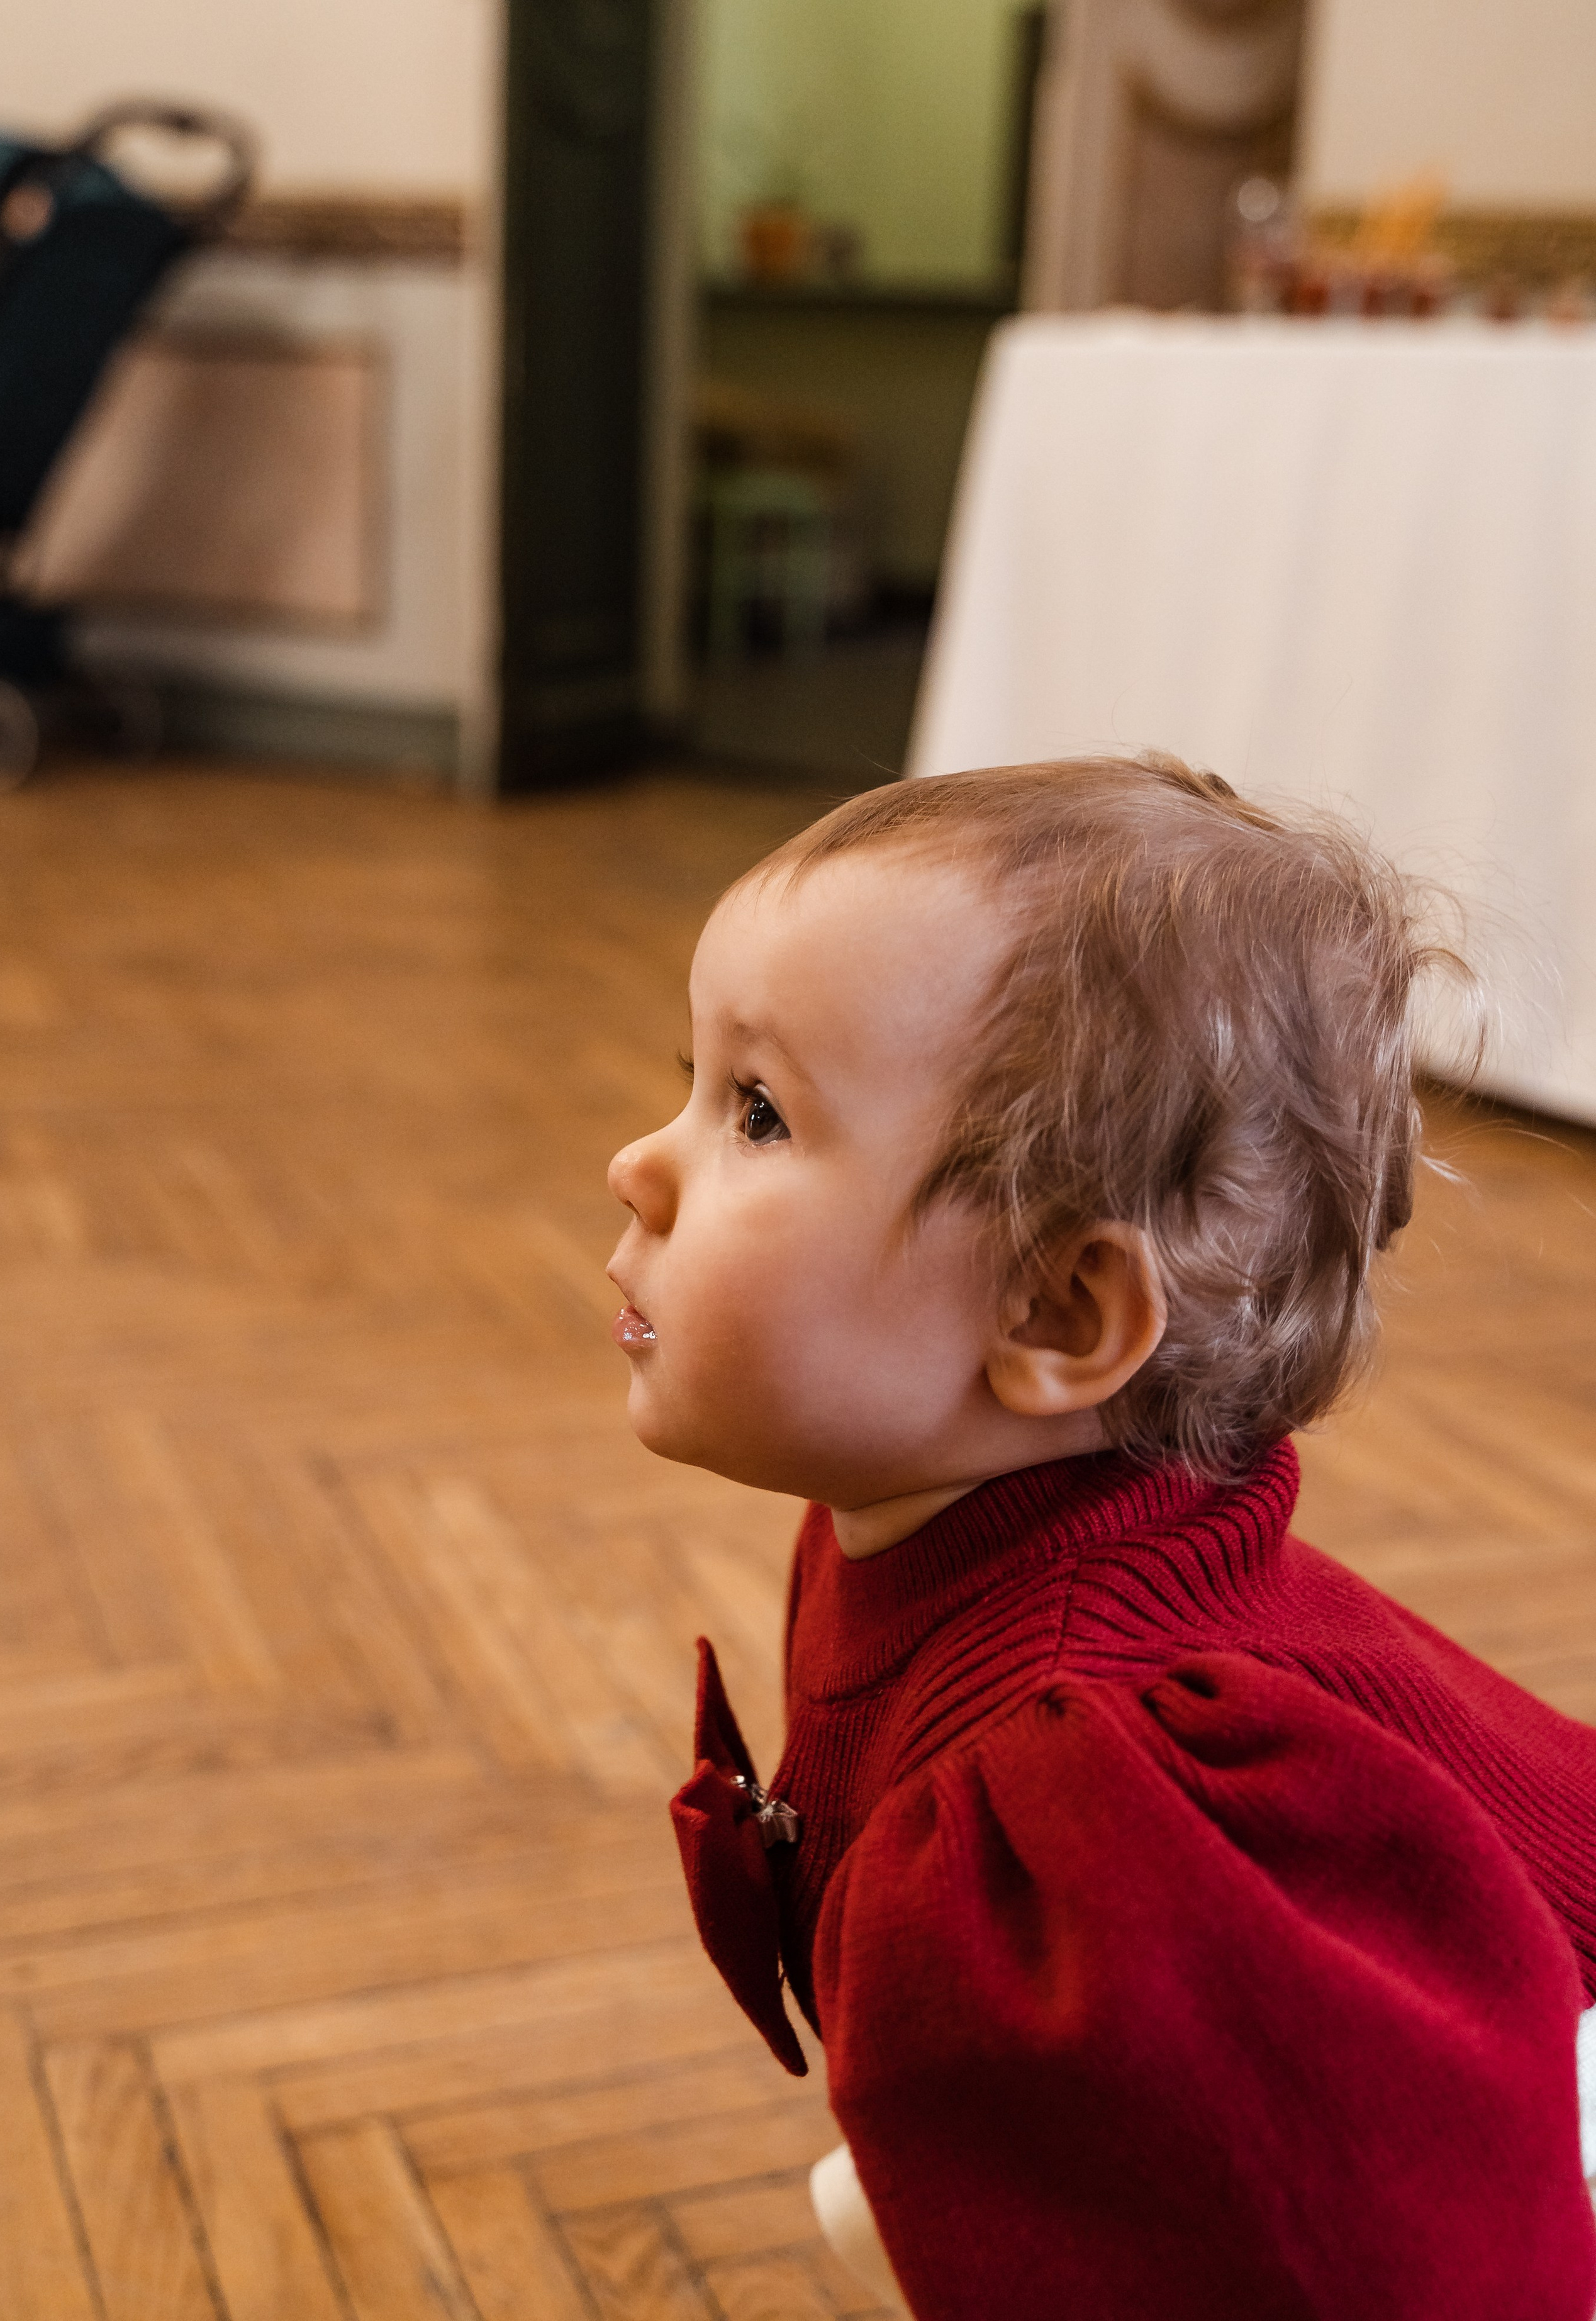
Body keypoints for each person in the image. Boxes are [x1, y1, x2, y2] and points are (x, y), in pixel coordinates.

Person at [605, 756, 1596, 2320]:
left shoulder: (1088, 1826)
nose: (638, 1166)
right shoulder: (923, 1514)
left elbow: (1387, 2261)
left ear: (1060, 1317)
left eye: (758, 1115)